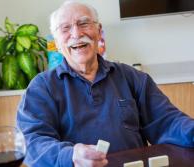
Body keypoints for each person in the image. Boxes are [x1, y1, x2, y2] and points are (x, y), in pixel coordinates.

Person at [16, 1, 194, 167]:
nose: (76, 34)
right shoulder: (41, 87)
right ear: (56, 42)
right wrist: (69, 155)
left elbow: (168, 121)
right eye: (65, 28)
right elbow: (32, 141)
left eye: (84, 23)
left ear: (99, 31)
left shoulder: (132, 77)